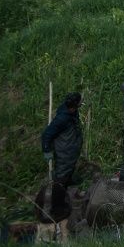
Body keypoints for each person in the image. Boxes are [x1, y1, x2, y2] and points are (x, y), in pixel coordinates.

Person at [41, 91, 84, 219]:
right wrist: (46, 150)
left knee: (68, 173)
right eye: (80, 102)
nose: (81, 103)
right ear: (74, 105)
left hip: (71, 152)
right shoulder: (62, 118)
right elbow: (47, 134)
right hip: (64, 153)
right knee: (61, 178)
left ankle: (67, 189)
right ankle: (56, 206)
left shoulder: (72, 112)